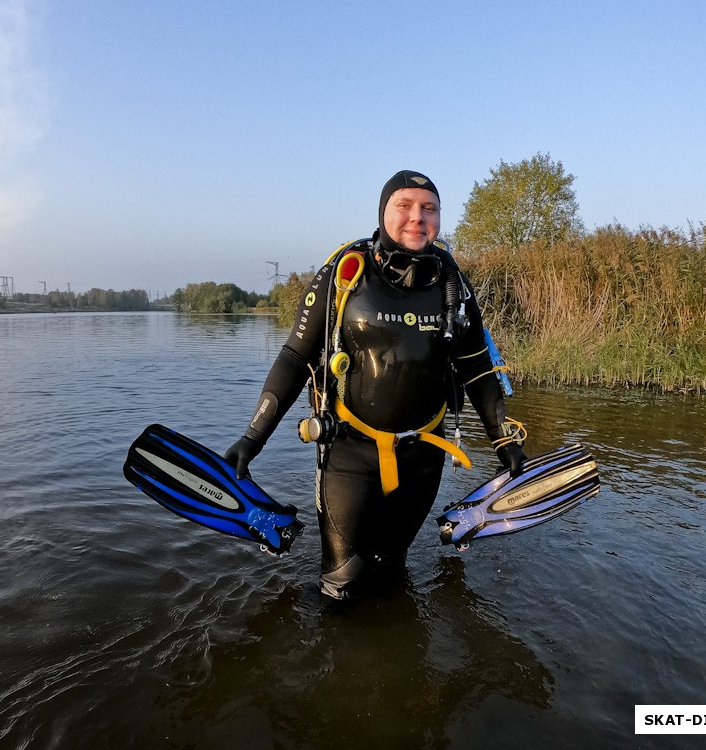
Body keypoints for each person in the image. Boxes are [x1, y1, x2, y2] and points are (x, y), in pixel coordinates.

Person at [225, 170, 526, 599]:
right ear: (383, 211)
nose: (416, 218)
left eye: (429, 208)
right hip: (350, 453)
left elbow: (477, 365)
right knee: (342, 584)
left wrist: (502, 440)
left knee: (392, 570)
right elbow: (294, 357)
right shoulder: (346, 273)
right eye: (404, 206)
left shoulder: (453, 284)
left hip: (424, 456)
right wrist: (252, 436)